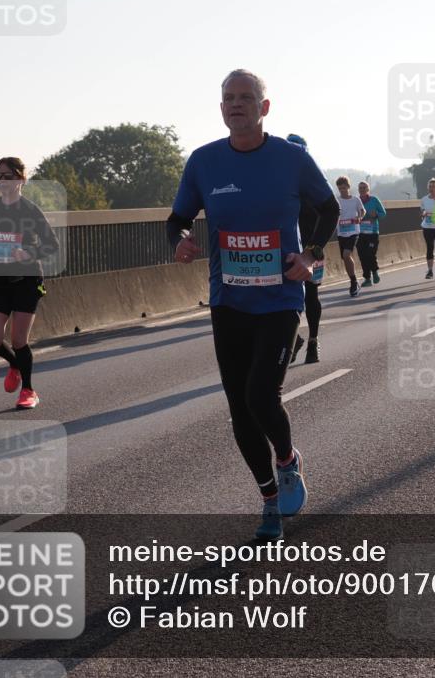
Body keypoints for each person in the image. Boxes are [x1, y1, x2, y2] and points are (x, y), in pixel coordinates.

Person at [168, 69, 338, 541]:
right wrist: (181, 239)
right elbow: (178, 217)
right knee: (239, 409)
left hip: (281, 297)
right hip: (229, 300)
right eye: (228, 98)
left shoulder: (291, 159)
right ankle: (268, 501)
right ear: (220, 108)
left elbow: (328, 209)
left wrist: (310, 255)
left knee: (261, 394)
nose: (236, 105)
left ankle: (287, 460)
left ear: (264, 108)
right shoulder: (204, 162)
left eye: (246, 98)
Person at [0, 156, 59, 410]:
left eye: (8, 176)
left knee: (19, 340)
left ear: (21, 179)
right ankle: (14, 364)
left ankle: (29, 390)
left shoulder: (30, 210)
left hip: (27, 281)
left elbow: (51, 244)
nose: (2, 181)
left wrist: (29, 254)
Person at [287, 134, 322, 365]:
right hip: (286, 250)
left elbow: (330, 213)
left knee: (311, 296)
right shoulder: (278, 181)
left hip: (312, 248)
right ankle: (293, 339)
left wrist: (315, 249)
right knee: (283, 301)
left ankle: (312, 342)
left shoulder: (315, 183)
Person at [334, 176, 365, 297]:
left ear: (348, 187)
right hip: (341, 232)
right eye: (340, 188)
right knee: (345, 257)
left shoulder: (355, 200)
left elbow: (363, 211)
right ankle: (353, 280)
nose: (342, 190)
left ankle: (353, 282)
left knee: (347, 254)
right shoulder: (336, 201)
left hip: (353, 231)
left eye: (344, 188)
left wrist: (360, 217)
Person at [357, 181, 386, 287]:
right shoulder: (356, 201)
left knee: (370, 254)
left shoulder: (374, 200)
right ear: (358, 190)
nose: (362, 189)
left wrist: (376, 214)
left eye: (364, 187)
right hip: (360, 233)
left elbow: (383, 213)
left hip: (373, 232)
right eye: (360, 188)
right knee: (362, 256)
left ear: (368, 189)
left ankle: (374, 272)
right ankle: (367, 278)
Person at [420, 178, 435, 281]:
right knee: (429, 248)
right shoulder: (424, 199)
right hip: (427, 227)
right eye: (430, 186)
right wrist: (423, 213)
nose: (431, 188)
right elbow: (422, 210)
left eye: (433, 186)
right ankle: (430, 270)